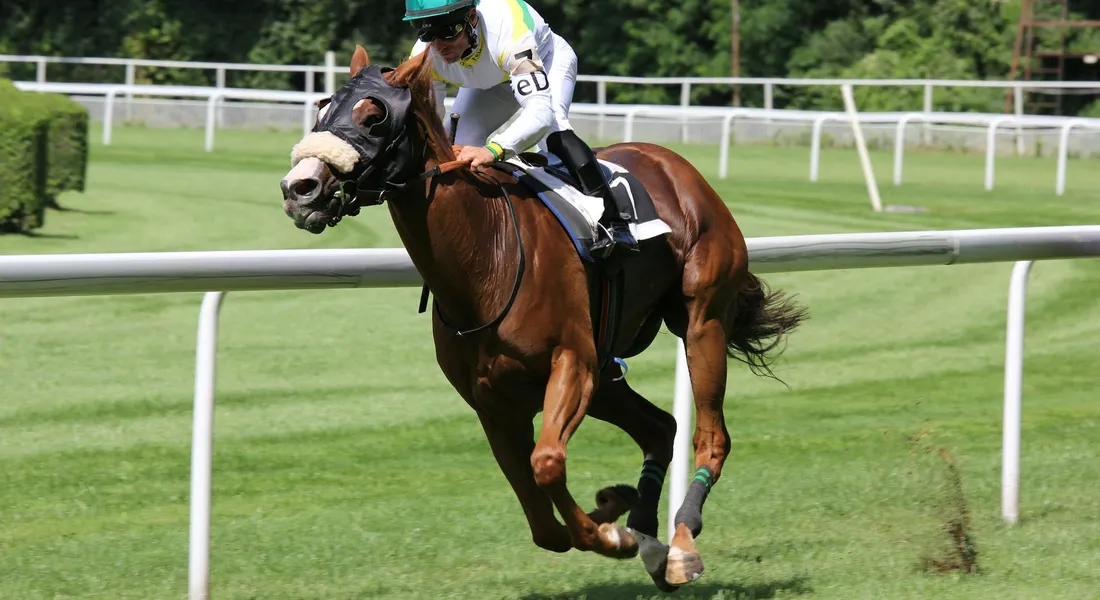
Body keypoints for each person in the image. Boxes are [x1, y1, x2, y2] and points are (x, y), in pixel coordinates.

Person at [405, 0, 638, 255]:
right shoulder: (424, 54)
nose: (439, 46)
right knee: (455, 144)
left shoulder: (510, 32)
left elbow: (540, 113)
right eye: (427, 33)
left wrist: (494, 150)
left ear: (472, 17)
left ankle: (615, 221)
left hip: (546, 62)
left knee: (554, 133)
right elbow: (431, 123)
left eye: (448, 31)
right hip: (490, 82)